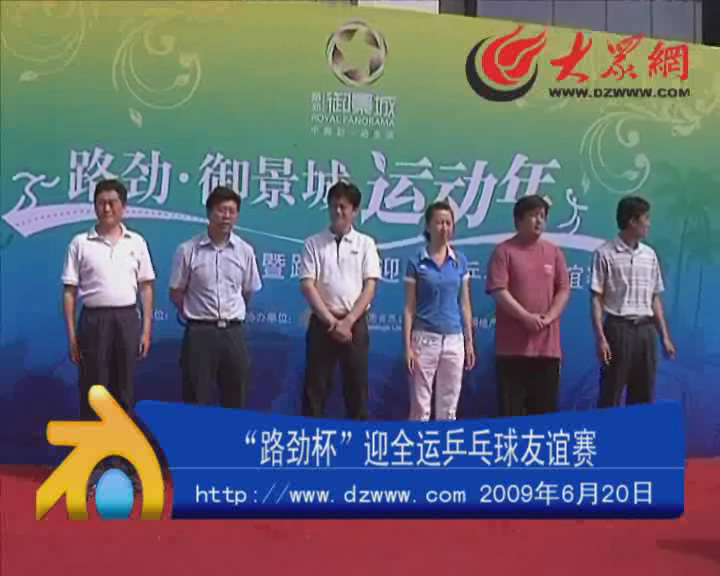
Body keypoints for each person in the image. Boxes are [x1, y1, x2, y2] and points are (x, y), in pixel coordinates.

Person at [61, 178, 155, 490]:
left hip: (127, 320)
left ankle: (124, 465)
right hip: (93, 321)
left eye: (113, 202)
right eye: (101, 202)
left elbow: (146, 287)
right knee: (94, 394)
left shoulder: (136, 242)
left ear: (123, 206)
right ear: (94, 206)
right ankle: (92, 467)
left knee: (124, 393)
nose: (107, 208)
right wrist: (72, 335)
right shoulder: (80, 243)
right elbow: (70, 292)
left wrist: (146, 329)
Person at [169, 185, 262, 408]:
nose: (226, 216)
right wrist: (196, 313)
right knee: (196, 397)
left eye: (232, 211)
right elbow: (176, 292)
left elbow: (247, 291)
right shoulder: (188, 250)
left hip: (233, 332)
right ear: (209, 213)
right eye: (221, 210)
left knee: (235, 398)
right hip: (200, 333)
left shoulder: (245, 251)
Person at [299, 180, 381, 420]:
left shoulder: (366, 244)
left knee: (356, 389)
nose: (338, 211)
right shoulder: (313, 243)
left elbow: (370, 286)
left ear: (354, 211)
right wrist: (332, 322)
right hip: (322, 324)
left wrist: (348, 322)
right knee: (315, 389)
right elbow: (307, 285)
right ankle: (311, 439)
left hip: (355, 324)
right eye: (334, 206)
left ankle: (357, 439)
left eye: (344, 207)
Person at [486, 195, 570, 416]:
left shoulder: (554, 252)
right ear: (518, 220)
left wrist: (548, 318)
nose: (539, 220)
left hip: (547, 350)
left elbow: (563, 290)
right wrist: (525, 317)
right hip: (512, 350)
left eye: (542, 216)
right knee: (510, 413)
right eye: (533, 215)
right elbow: (498, 290)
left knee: (544, 415)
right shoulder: (504, 252)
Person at [590, 196, 675, 408]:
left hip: (646, 331)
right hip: (618, 330)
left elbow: (654, 297)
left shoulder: (650, 255)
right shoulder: (605, 253)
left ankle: (637, 431)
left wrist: (664, 337)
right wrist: (601, 338)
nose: (649, 224)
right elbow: (596, 298)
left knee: (643, 395)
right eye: (646, 218)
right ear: (632, 221)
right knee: (611, 392)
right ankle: (606, 430)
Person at [403, 201, 475, 421]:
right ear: (428, 227)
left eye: (448, 223)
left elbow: (465, 304)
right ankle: (417, 443)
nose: (444, 228)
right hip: (424, 339)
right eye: (439, 222)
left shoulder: (460, 261)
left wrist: (469, 342)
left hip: (454, 340)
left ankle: (444, 443)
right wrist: (407, 346)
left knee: (449, 408)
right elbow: (409, 307)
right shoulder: (416, 261)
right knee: (420, 408)